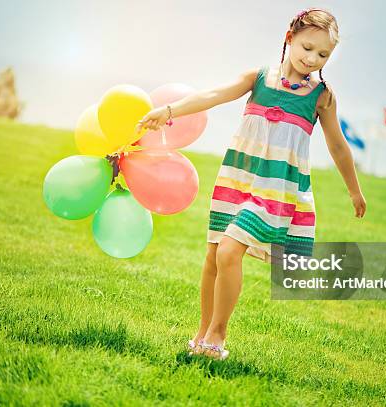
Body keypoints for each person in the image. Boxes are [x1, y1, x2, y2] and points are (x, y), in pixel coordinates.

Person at [135, 8, 366, 360]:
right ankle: (200, 334)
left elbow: (337, 144)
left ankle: (218, 334)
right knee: (213, 256)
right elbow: (212, 95)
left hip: (276, 189)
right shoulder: (258, 78)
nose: (312, 59)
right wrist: (168, 112)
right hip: (238, 177)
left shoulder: (321, 97)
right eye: (307, 47)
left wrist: (353, 189)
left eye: (323, 55)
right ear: (289, 38)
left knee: (230, 249)